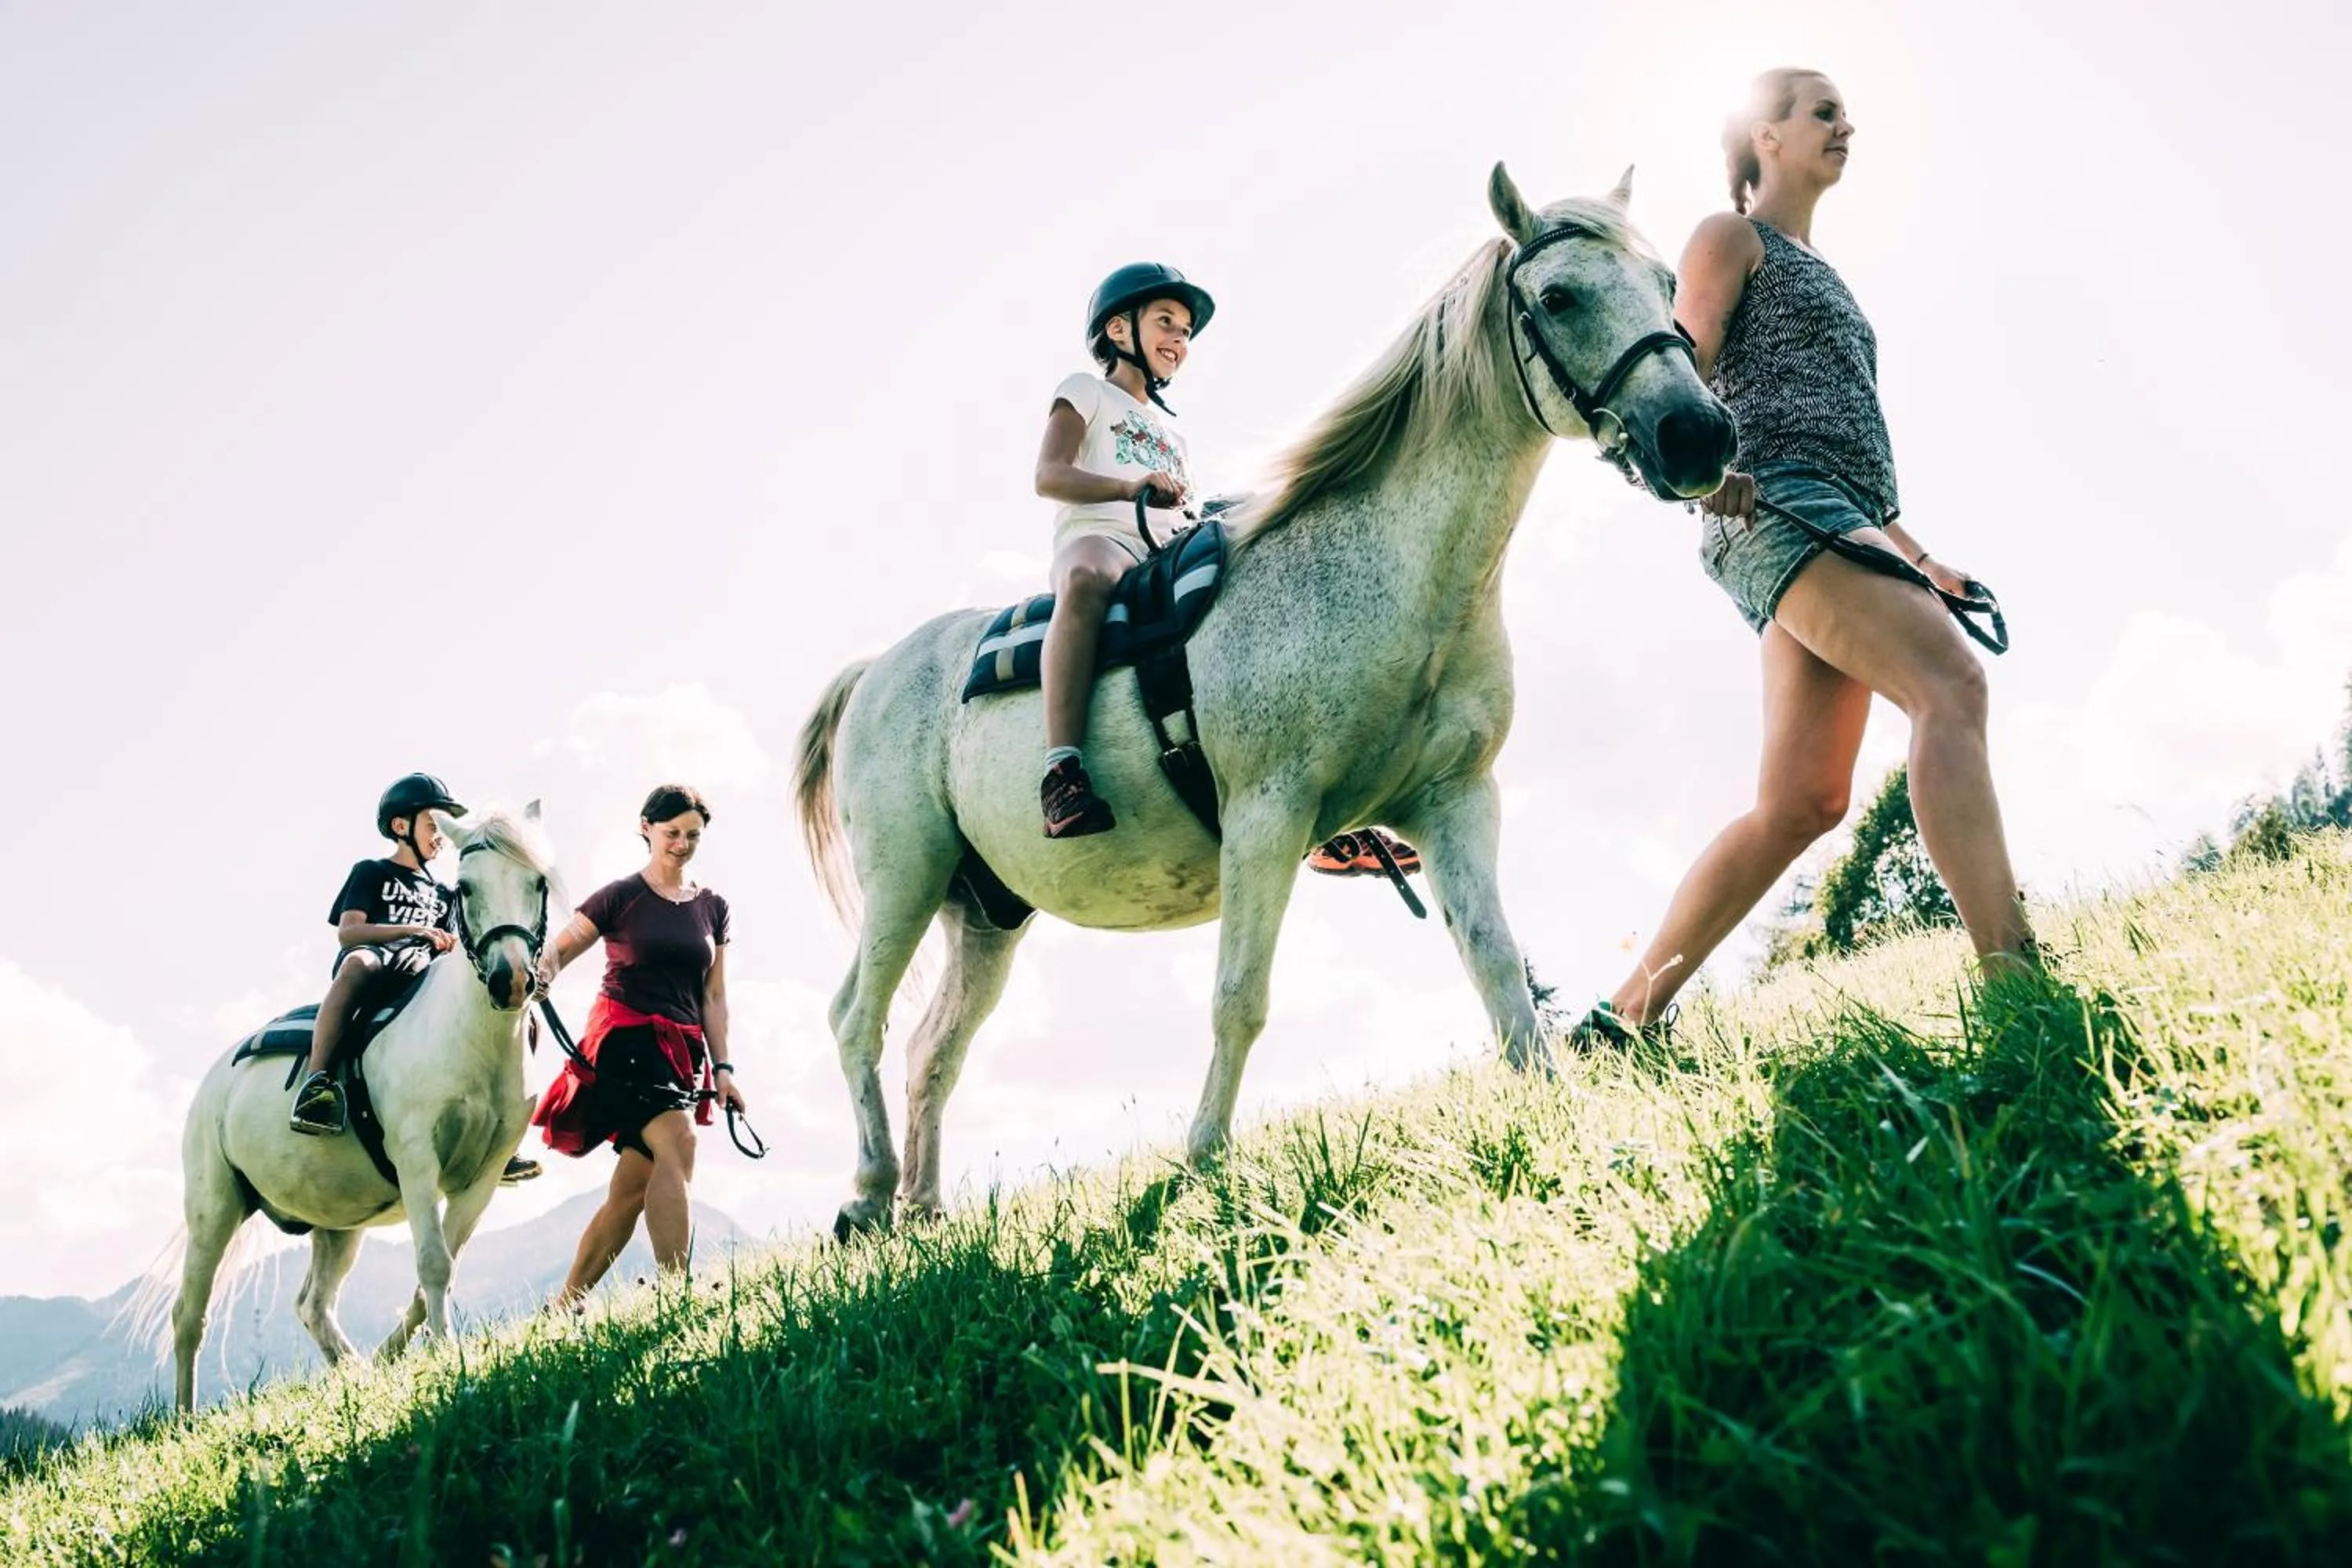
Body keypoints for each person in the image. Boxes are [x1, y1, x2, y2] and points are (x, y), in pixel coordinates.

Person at [1574, 68, 2038, 1048]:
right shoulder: (1728, 236)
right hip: (1776, 503)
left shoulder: (1824, 270)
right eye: (1822, 111)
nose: (1845, 125)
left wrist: (1919, 556)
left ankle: (1625, 1021)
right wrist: (1704, 471)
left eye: (1844, 113)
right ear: (1765, 136)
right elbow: (1683, 363)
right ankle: (2017, 978)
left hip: (1843, 516)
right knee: (1951, 686)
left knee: (1801, 803)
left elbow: (1853, 448)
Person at [1031, 264, 1424, 874]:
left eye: (1186, 332)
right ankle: (1062, 771)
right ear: (1117, 328)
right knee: (1084, 582)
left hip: (1164, 552)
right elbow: (1048, 476)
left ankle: (1325, 808)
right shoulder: (1086, 390)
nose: (1179, 341)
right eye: (1166, 322)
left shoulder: (1175, 434)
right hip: (1101, 541)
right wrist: (1132, 484)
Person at [533, 783, 746, 1306]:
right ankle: (679, 1296)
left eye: (692, 835)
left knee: (634, 1187)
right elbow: (563, 947)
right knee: (680, 1142)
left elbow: (713, 996)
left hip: (682, 1051)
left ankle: (564, 1304)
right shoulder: (621, 896)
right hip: (625, 1039)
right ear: (646, 828)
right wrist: (542, 970)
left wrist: (723, 1069)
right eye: (671, 833)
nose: (681, 843)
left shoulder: (712, 907)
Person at [292, 773, 542, 1178]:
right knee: (359, 964)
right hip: (378, 960)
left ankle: (505, 1133)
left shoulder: (446, 893)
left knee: (521, 1014)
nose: (440, 835)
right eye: (433, 824)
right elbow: (349, 932)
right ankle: (317, 1082)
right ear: (400, 826)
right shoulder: (371, 872)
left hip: (424, 976)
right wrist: (413, 931)